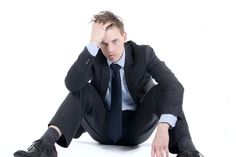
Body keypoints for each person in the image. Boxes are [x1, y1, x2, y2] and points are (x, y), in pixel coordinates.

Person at [14, 11, 203, 157]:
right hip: (102, 127)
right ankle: (45, 145)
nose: (110, 49)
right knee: (82, 89)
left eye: (115, 41)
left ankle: (188, 151)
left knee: (164, 90)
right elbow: (71, 84)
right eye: (104, 44)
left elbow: (175, 87)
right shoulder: (94, 56)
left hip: (137, 126)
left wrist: (163, 127)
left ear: (124, 36)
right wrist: (92, 44)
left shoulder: (144, 54)